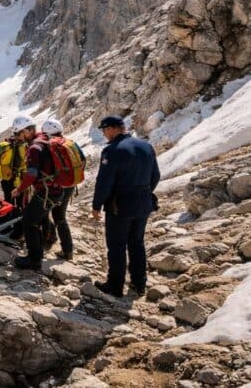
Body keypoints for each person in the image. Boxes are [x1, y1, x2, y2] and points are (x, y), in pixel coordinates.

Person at [92, 115, 160, 297]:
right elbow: (155, 176)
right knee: (137, 243)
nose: (105, 134)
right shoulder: (146, 146)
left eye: (105, 130)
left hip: (120, 206)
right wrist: (143, 192)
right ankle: (139, 283)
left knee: (117, 246)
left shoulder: (112, 151)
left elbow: (104, 182)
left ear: (113, 128)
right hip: (144, 203)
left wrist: (97, 204)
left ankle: (115, 286)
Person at [11, 119, 72, 270]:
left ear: (27, 130)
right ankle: (39, 252)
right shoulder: (47, 140)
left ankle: (34, 260)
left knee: (29, 222)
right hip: (57, 190)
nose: (19, 137)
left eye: (19, 133)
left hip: (46, 192)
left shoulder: (35, 147)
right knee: (36, 220)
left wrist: (19, 189)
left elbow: (32, 174)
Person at [39, 118, 85, 261]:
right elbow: (83, 161)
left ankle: (46, 242)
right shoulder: (71, 143)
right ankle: (67, 250)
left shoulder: (50, 146)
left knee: (44, 213)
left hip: (55, 187)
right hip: (70, 185)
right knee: (60, 217)